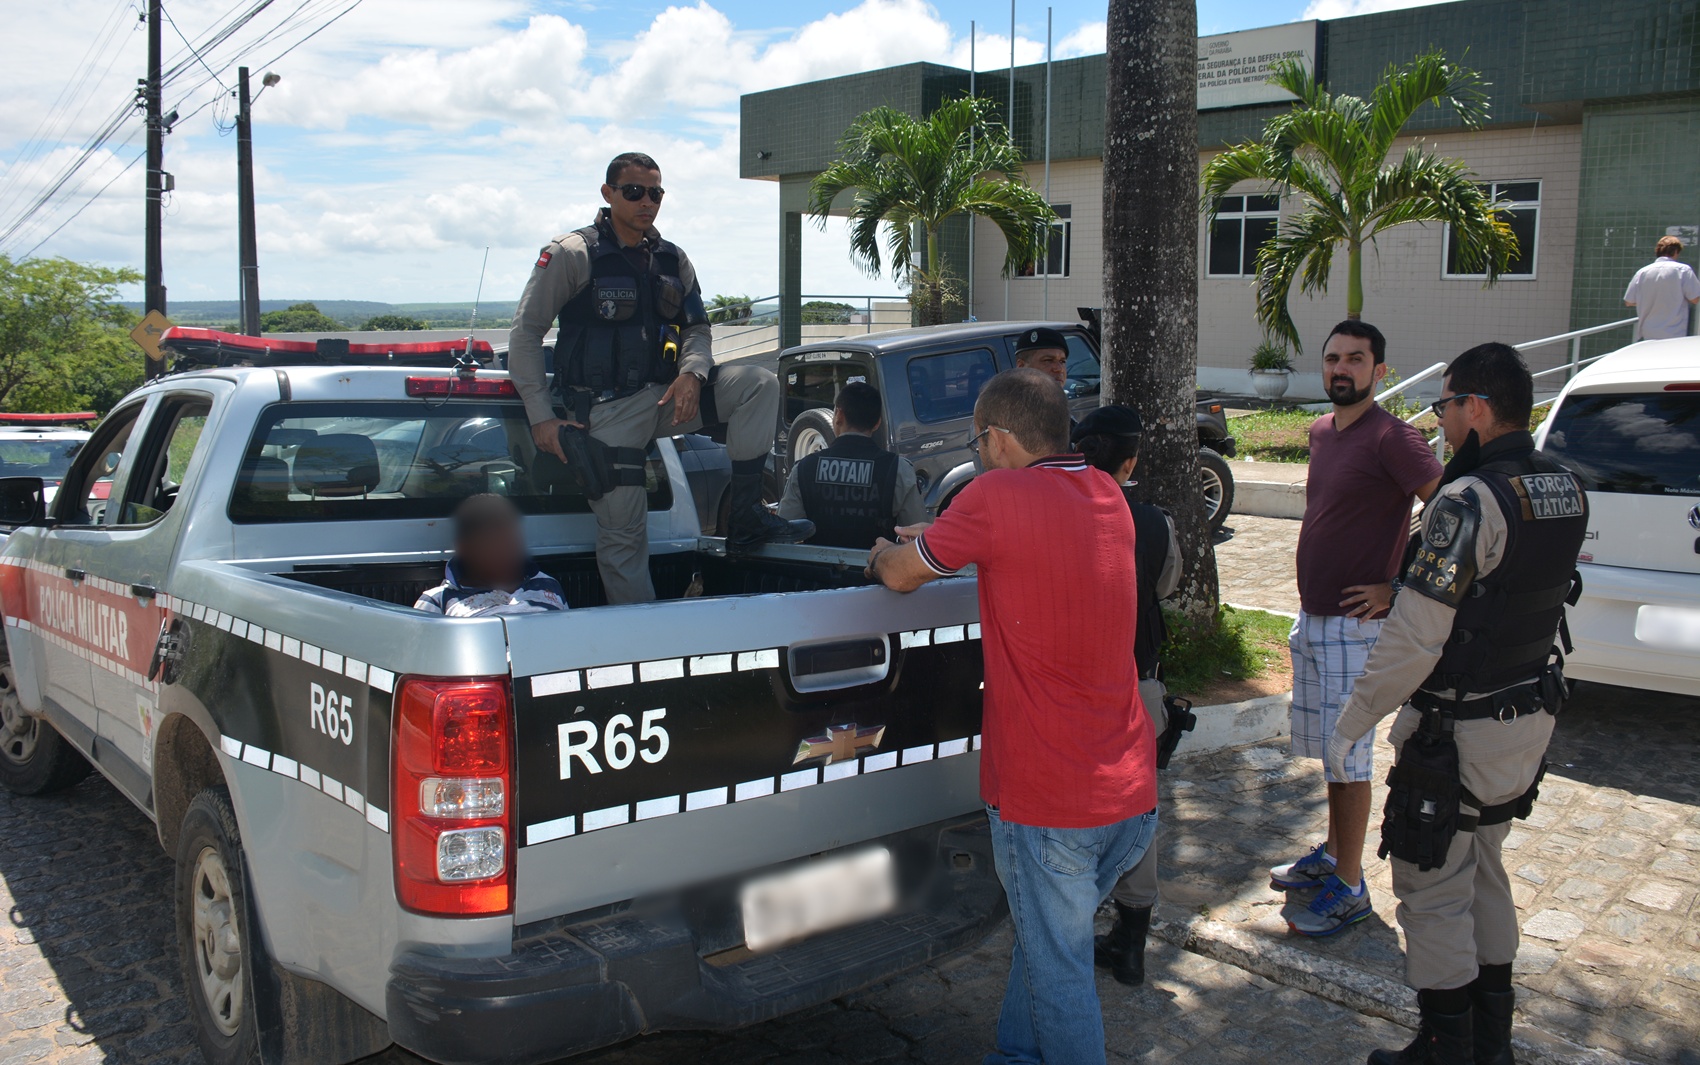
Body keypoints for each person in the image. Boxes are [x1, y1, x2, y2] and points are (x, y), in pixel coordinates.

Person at [865, 369, 1157, 1065]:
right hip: (1129, 793)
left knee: (1059, 973)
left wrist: (885, 554)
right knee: (1044, 942)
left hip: (1048, 799)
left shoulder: (993, 495)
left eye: (977, 438)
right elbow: (1031, 542)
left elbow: (906, 574)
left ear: (995, 438)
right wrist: (944, 531)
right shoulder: (1107, 493)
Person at [1328, 343, 1588, 1065]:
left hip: (1458, 731)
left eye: (1444, 406)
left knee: (1431, 884)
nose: (1440, 422)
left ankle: (1446, 1046)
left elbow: (1415, 636)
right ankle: (1491, 1044)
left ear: (1476, 405)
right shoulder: (1563, 486)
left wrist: (1350, 724)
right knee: (1485, 868)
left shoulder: (1468, 500)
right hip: (1526, 720)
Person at [508, 151, 811, 605]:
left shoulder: (672, 259)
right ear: (608, 194)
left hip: (667, 399)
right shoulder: (573, 254)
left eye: (655, 193)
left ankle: (746, 518)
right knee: (626, 540)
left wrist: (692, 373)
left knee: (759, 383)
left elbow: (697, 328)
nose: (646, 201)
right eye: (633, 192)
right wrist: (540, 418)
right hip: (606, 414)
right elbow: (526, 333)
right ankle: (641, 651)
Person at [1275, 320, 1442, 938]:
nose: (1341, 369)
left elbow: (1447, 510)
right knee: (1330, 753)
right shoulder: (1324, 431)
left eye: (1355, 359)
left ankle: (1350, 887)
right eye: (1333, 359)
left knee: (1348, 758)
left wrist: (1397, 588)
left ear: (1379, 371)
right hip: (1315, 617)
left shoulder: (1393, 438)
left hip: (1356, 628)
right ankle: (1334, 854)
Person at [1072, 405, 1180, 987]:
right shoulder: (1154, 522)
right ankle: (1130, 942)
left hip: (1069, 690)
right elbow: (1166, 583)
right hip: (1137, 685)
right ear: (1132, 460)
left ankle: (1065, 926)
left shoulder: (1058, 515)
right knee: (1137, 812)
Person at [777, 381, 927, 549]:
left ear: (839, 416)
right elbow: (917, 536)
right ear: (877, 423)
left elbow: (784, 534)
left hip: (816, 572)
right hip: (877, 571)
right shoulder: (898, 470)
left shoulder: (804, 469)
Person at [415, 494, 567, 616]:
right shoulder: (437, 601)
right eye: (493, 544)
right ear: (465, 548)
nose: (507, 552)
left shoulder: (548, 585)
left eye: (511, 542)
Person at [1623, 235, 1700, 340]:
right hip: (1674, 333)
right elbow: (1695, 298)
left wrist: (1649, 299)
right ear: (1676, 251)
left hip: (1648, 334)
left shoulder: (1642, 272)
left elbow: (1629, 301)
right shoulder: (1683, 270)